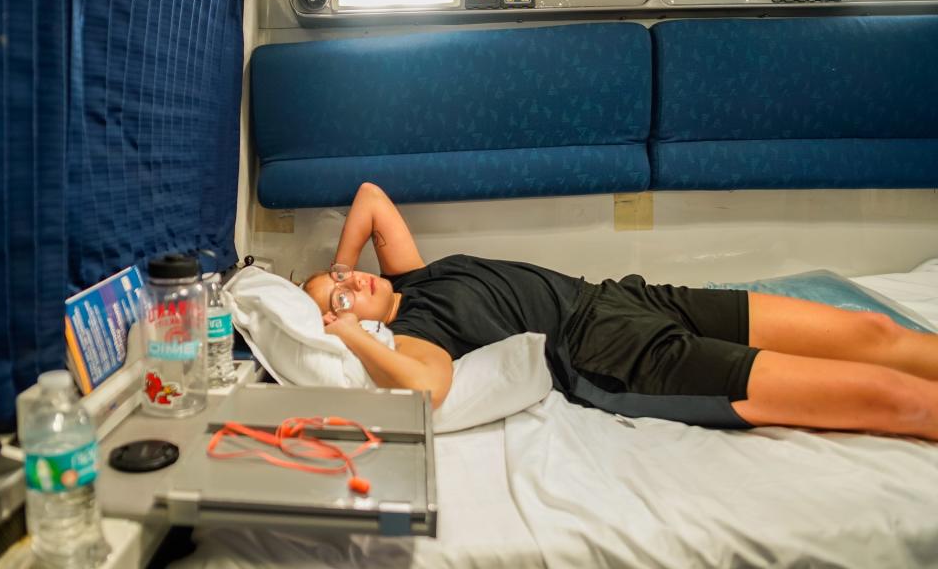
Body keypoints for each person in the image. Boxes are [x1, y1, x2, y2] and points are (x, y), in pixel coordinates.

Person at [303, 182, 938, 439]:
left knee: (876, 330)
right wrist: (350, 330)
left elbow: (370, 199)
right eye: (340, 295)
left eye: (341, 279)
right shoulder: (417, 330)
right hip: (618, 357)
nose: (349, 282)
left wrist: (338, 275)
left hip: (626, 296)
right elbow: (426, 389)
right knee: (895, 400)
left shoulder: (415, 277)